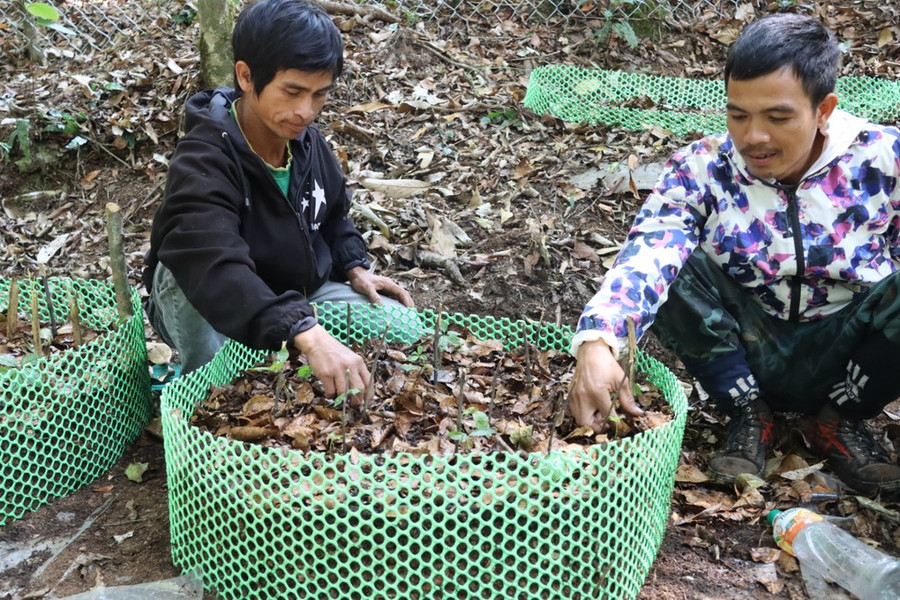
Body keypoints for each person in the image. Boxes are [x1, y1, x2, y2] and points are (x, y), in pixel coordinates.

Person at [568, 13, 900, 494]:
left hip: (851, 346)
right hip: (747, 348)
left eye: (778, 117)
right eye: (738, 114)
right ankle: (749, 414)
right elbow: (649, 250)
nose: (753, 137)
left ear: (823, 109)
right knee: (673, 268)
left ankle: (841, 420)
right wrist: (599, 340)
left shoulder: (883, 160)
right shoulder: (701, 167)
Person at [142, 0, 415, 399]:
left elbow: (336, 216)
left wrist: (354, 265)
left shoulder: (305, 142)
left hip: (292, 294)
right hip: (213, 295)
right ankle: (200, 382)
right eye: (292, 92)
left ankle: (289, 336)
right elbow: (213, 264)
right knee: (227, 391)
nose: (305, 112)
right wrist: (305, 331)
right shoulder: (204, 158)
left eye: (319, 95)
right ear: (246, 76)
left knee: (405, 328)